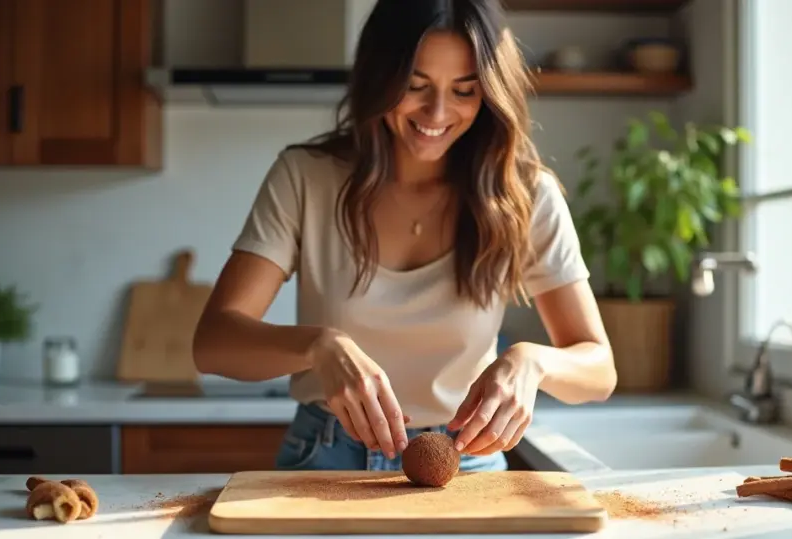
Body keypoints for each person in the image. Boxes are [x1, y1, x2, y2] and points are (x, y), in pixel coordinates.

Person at [192, 0, 617, 473]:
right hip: (327, 453)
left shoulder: (525, 195)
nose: (437, 112)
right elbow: (212, 343)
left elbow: (599, 371)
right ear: (379, 79)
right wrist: (317, 345)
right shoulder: (305, 178)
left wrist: (532, 363)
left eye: (464, 90)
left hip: (465, 463)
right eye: (415, 86)